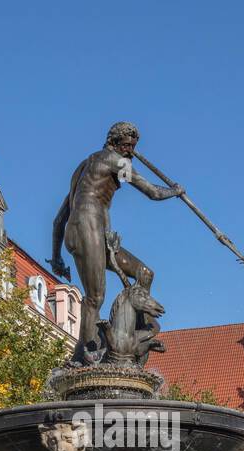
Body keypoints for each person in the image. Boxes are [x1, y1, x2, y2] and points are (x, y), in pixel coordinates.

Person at [49, 122, 186, 364]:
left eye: (133, 147)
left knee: (144, 273)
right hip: (85, 227)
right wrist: (174, 190)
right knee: (95, 296)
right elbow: (152, 192)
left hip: (94, 232)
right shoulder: (115, 160)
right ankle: (85, 354)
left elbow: (58, 219)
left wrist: (57, 255)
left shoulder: (85, 169)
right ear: (113, 142)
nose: (130, 151)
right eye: (127, 145)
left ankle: (135, 339)